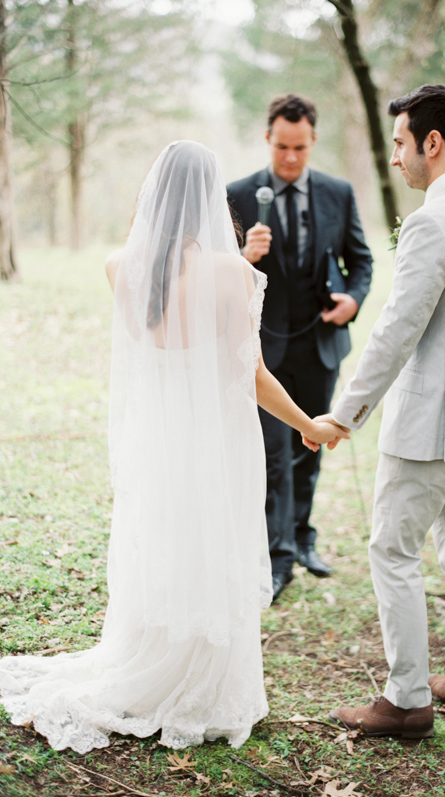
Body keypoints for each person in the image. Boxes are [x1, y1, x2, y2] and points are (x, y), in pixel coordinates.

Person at [0, 141, 345, 754]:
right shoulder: (235, 273)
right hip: (215, 440)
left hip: (155, 441)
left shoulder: (117, 265)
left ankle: (153, 657)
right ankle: (202, 683)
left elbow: (169, 328)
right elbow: (252, 375)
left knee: (162, 546)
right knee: (211, 546)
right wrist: (308, 425)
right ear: (214, 200)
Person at [317, 85, 445, 738]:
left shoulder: (434, 222)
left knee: (392, 550)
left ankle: (407, 699)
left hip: (430, 426)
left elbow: (397, 330)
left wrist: (344, 414)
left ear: (432, 143)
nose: (398, 158)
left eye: (402, 143)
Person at [227, 94, 373, 600]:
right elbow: (217, 272)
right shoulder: (238, 194)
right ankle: (276, 555)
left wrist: (352, 301)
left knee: (311, 447)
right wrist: (245, 255)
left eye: (300, 148)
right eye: (282, 146)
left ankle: (304, 539)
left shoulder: (339, 191)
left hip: (320, 345)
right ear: (268, 139)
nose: (290, 157)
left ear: (313, 142)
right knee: (272, 452)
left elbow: (362, 259)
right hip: (262, 350)